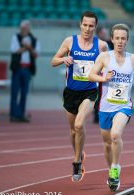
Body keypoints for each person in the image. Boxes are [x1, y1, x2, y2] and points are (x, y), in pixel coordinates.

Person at [50, 11, 108, 182]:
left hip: (89, 92)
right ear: (80, 25)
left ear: (95, 27)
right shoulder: (70, 41)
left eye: (91, 26)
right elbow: (53, 61)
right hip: (71, 92)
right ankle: (79, 153)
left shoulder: (102, 45)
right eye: (85, 25)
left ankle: (76, 162)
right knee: (73, 130)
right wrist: (63, 60)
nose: (88, 29)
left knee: (79, 124)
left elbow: (111, 64)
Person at [88, 24, 134, 191]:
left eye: (123, 38)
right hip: (105, 107)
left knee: (115, 135)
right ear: (112, 39)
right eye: (117, 38)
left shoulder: (133, 58)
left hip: (124, 106)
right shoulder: (104, 57)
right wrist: (103, 78)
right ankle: (111, 170)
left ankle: (115, 168)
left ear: (127, 40)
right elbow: (91, 75)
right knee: (107, 144)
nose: (120, 41)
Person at [9, 20, 40, 123]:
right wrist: (27, 48)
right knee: (14, 92)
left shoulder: (34, 39)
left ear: (28, 28)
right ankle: (13, 114)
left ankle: (21, 114)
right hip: (17, 68)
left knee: (24, 93)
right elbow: (14, 51)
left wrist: (27, 47)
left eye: (24, 28)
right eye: (21, 28)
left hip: (27, 69)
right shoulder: (15, 37)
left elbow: (36, 54)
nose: (22, 30)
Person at [93, 26, 114, 124]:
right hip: (98, 72)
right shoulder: (95, 43)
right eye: (103, 33)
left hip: (108, 73)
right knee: (98, 94)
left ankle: (109, 115)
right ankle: (96, 116)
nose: (105, 35)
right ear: (99, 33)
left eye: (106, 33)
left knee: (107, 95)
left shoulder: (110, 43)